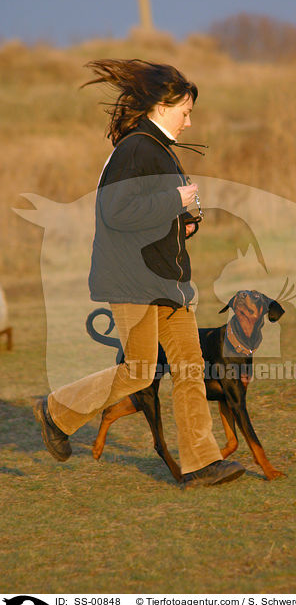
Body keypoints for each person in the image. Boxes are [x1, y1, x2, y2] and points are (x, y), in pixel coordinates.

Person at [33, 58, 245, 488]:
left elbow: (153, 213)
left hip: (168, 282)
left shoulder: (159, 150)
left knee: (189, 367)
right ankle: (55, 411)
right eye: (185, 111)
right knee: (139, 372)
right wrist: (175, 202)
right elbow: (116, 211)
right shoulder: (136, 149)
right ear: (163, 105)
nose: (189, 121)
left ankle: (201, 464)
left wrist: (185, 220)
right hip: (136, 282)